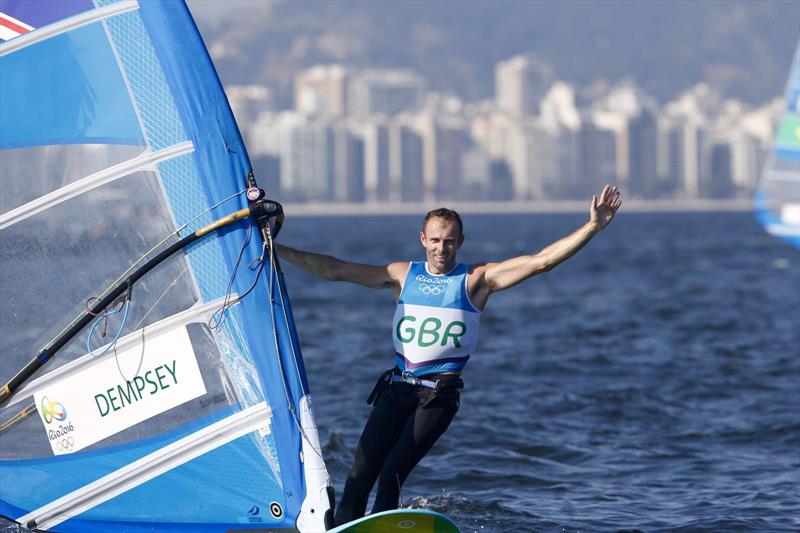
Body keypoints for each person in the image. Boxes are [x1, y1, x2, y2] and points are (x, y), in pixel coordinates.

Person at [276, 185, 622, 526]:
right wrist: (278, 249)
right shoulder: (401, 275)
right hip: (397, 389)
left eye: (451, 241)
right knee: (358, 475)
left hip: (437, 397)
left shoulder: (476, 280)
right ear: (423, 239)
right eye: (436, 240)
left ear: (461, 242)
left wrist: (592, 226)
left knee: (391, 475)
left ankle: (382, 526)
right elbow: (336, 270)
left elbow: (541, 263)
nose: (443, 248)